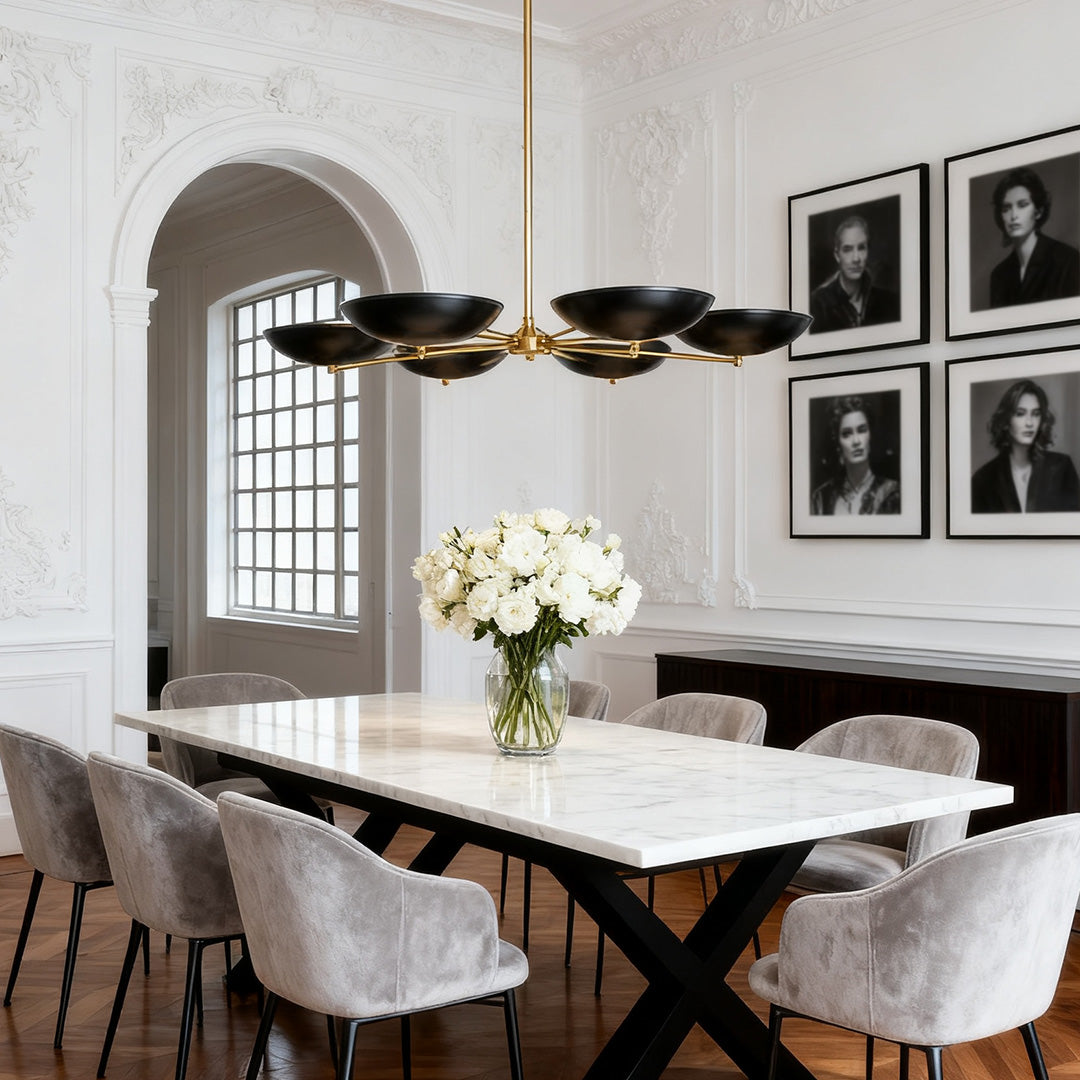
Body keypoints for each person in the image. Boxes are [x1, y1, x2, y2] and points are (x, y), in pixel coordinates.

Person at [970, 378, 1080, 513]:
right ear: (1006, 421)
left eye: (1036, 414)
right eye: (1020, 414)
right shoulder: (983, 479)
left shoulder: (1062, 468)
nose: (1029, 423)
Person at [988, 167, 1080, 308]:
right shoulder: (999, 276)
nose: (1013, 216)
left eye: (1022, 205)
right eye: (1006, 208)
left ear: (1038, 211)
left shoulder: (1069, 261)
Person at [809, 215, 900, 333]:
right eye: (847, 249)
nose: (856, 258)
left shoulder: (889, 302)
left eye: (861, 248)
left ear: (868, 251)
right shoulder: (818, 304)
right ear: (837, 255)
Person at [811, 395, 900, 515]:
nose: (856, 441)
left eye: (862, 430)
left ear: (870, 435)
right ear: (838, 442)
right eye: (847, 434)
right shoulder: (821, 498)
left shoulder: (892, 493)